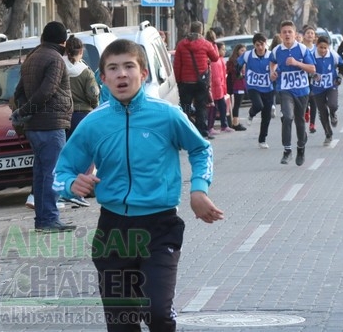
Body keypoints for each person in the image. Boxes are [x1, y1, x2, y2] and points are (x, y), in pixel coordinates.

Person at [54, 39, 224, 331]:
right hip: (113, 231)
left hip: (160, 227)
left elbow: (200, 149)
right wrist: (72, 183)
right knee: (122, 322)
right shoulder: (94, 124)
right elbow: (60, 172)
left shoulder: (167, 115)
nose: (122, 74)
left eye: (129, 66)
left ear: (143, 74)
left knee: (157, 312)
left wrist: (198, 189)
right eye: (113, 68)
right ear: (103, 78)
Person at [12, 21, 76, 233]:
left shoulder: (31, 57)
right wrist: (25, 110)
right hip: (51, 125)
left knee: (40, 174)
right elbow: (47, 91)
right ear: (63, 41)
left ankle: (42, 219)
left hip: (34, 127)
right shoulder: (55, 59)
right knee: (52, 173)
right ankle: (49, 219)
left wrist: (24, 111)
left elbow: (18, 92)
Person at [270, 20, 316, 165]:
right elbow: (272, 62)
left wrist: (297, 63)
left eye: (290, 32)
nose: (287, 34)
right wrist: (272, 72)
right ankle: (287, 151)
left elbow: (312, 69)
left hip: (302, 89)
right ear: (280, 35)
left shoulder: (302, 49)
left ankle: (301, 149)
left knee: (299, 119)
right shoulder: (277, 50)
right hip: (285, 89)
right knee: (287, 117)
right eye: (284, 32)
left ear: (295, 34)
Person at [61, 35, 100, 208]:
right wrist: (94, 105)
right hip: (82, 116)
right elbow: (93, 95)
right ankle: (79, 192)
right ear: (81, 51)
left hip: (62, 116)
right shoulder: (85, 72)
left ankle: (64, 189)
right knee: (86, 156)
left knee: (65, 154)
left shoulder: (59, 67)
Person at [174, 21, 219, 139]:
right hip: (201, 82)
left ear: (190, 29)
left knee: (185, 107)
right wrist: (213, 44)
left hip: (186, 82)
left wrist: (178, 81)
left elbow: (177, 65)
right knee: (201, 106)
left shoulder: (181, 44)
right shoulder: (206, 44)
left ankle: (186, 131)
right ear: (201, 30)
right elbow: (215, 58)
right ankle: (202, 131)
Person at [240, 33, 275, 148]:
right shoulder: (248, 55)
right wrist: (238, 73)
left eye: (262, 44)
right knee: (258, 105)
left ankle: (262, 139)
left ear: (266, 44)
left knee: (266, 115)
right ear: (254, 45)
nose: (260, 47)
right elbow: (237, 63)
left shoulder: (271, 55)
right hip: (253, 86)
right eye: (257, 45)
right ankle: (251, 114)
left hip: (268, 88)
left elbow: (278, 67)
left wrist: (275, 75)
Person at [311, 35, 343, 146]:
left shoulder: (333, 55)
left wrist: (339, 76)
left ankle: (333, 114)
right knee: (322, 111)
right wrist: (312, 75)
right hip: (317, 88)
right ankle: (328, 133)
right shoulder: (311, 56)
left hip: (331, 85)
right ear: (316, 46)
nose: (323, 50)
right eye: (321, 47)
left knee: (332, 105)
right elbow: (306, 68)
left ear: (328, 47)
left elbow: (342, 65)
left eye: (325, 48)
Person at [205, 37, 232, 135]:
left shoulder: (220, 60)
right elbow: (215, 78)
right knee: (213, 108)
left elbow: (222, 76)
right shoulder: (215, 61)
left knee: (222, 107)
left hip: (220, 89)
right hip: (215, 90)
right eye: (223, 49)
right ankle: (210, 127)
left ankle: (224, 125)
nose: (224, 51)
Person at [226, 44, 247, 131]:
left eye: (245, 51)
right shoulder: (235, 61)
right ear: (237, 51)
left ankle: (236, 121)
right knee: (237, 105)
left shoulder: (241, 60)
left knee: (237, 104)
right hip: (238, 84)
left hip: (241, 84)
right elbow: (237, 74)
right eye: (242, 50)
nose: (244, 52)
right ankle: (235, 123)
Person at [301, 26, 318, 133]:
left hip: (315, 76)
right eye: (308, 33)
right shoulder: (300, 47)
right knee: (305, 97)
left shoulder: (317, 48)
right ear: (304, 35)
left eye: (312, 33)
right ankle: (306, 110)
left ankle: (312, 124)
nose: (310, 35)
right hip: (303, 75)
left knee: (313, 98)